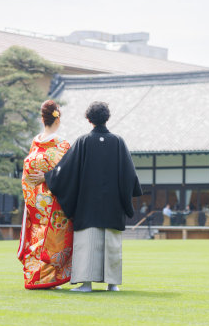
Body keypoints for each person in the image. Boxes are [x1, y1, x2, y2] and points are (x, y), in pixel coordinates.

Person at [29, 101, 142, 292]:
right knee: (112, 244)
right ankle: (112, 284)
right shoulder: (118, 142)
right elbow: (129, 175)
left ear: (89, 119)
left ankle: (86, 284)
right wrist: (126, 197)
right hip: (113, 204)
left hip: (88, 204)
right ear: (107, 118)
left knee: (87, 242)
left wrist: (47, 177)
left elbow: (66, 170)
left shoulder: (83, 141)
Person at [17, 100, 73, 290]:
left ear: (43, 120)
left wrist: (39, 182)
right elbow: (68, 175)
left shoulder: (35, 143)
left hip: (34, 200)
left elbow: (27, 173)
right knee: (53, 238)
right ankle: (48, 278)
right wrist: (49, 177)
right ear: (58, 120)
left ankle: (34, 277)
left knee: (36, 236)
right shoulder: (62, 145)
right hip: (54, 201)